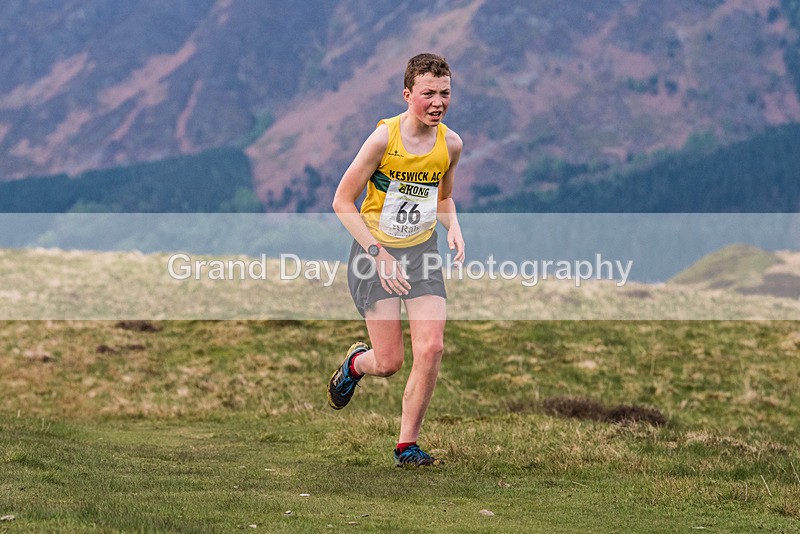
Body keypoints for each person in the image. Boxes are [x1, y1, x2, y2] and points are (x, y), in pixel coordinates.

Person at [328, 53, 465, 467]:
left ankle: (407, 447)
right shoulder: (383, 140)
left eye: (444, 93)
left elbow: (442, 197)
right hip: (375, 253)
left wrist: (453, 225)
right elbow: (341, 201)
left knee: (432, 347)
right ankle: (355, 363)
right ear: (408, 95)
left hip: (421, 252)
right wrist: (378, 253)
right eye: (428, 94)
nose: (437, 102)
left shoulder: (451, 144)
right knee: (388, 362)